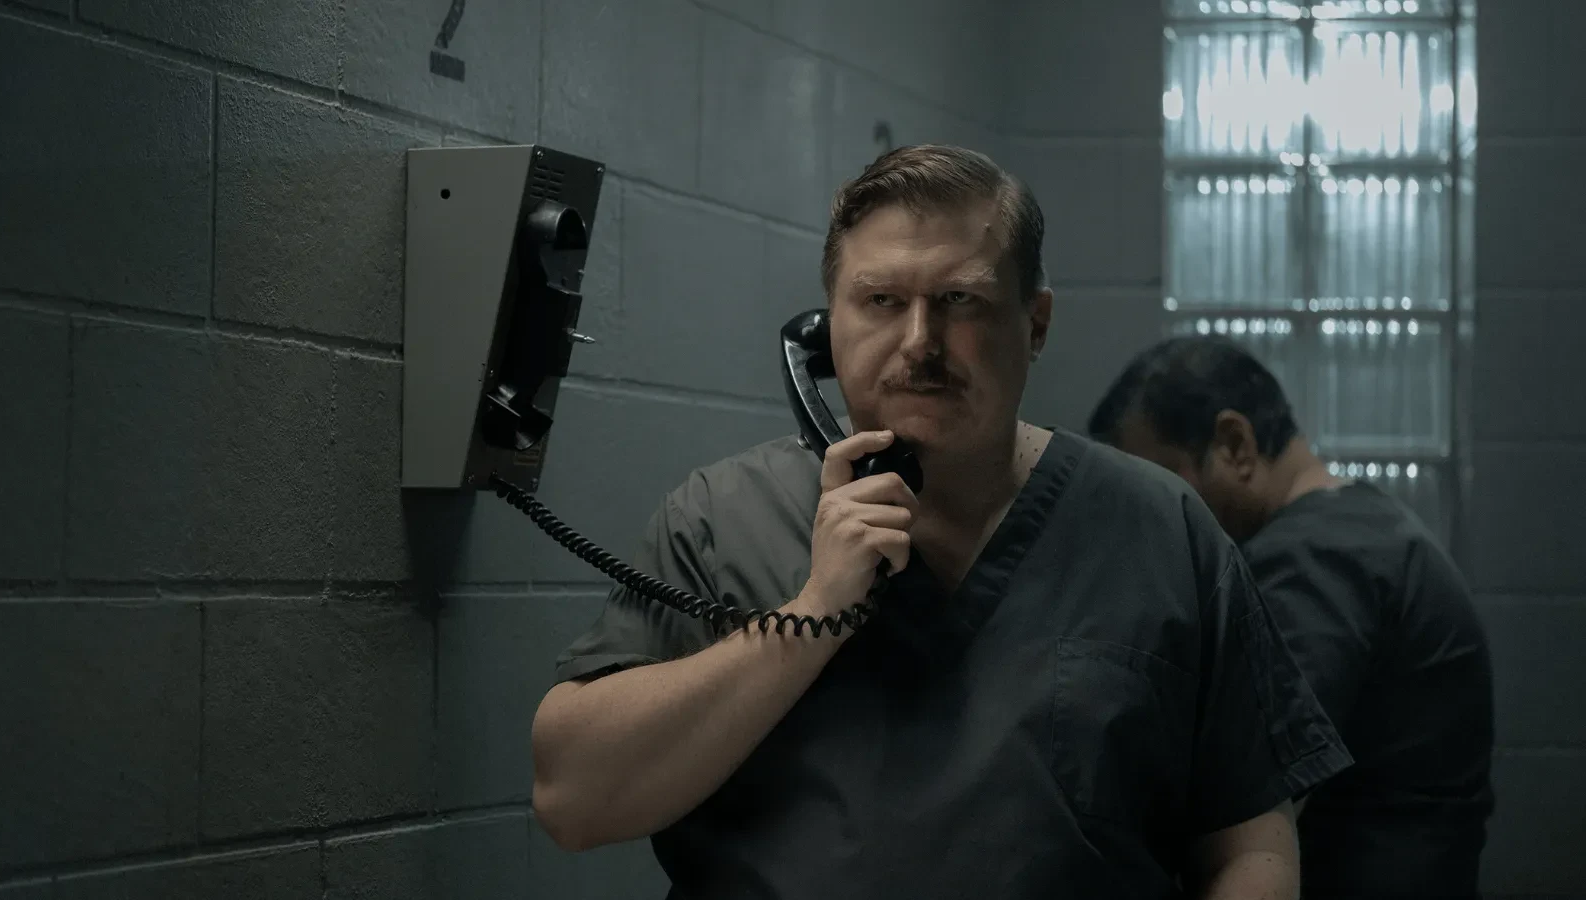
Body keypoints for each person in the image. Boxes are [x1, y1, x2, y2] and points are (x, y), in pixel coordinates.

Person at [529, 144, 1352, 900]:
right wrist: (813, 613)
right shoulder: (719, 520)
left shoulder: (1159, 528)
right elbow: (573, 801)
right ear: (825, 326)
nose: (918, 342)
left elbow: (1253, 842)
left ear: (1035, 324)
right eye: (880, 300)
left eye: (959, 301)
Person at [1087, 335, 1495, 900]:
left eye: (1163, 485)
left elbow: (1253, 783)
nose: (1149, 523)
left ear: (1235, 444)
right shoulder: (1360, 532)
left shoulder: (1311, 562)